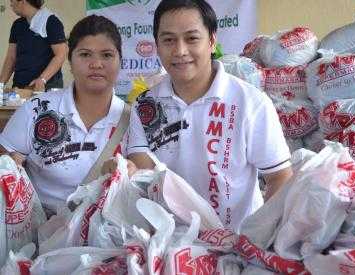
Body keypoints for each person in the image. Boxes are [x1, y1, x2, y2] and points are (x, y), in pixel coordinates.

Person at [127, 0, 293, 231]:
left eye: (192, 38)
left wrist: (258, 236)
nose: (180, 51)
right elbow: (143, 172)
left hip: (235, 242)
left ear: (212, 41)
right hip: (168, 243)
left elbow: (279, 177)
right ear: (157, 45)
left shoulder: (250, 103)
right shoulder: (144, 105)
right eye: (168, 40)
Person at [0, 15, 131, 213]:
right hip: (41, 235)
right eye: (85, 54)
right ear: (70, 60)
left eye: (107, 55)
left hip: (108, 236)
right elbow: (4, 156)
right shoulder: (37, 110)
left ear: (120, 60)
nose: (96, 64)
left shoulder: (132, 120)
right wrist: (11, 163)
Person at [0, 0, 67, 91]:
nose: (10, 4)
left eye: (12, 1)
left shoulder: (51, 21)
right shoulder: (17, 25)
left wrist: (42, 79)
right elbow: (11, 57)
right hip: (20, 87)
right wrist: (1, 84)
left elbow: (61, 54)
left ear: (22, 2)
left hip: (46, 86)